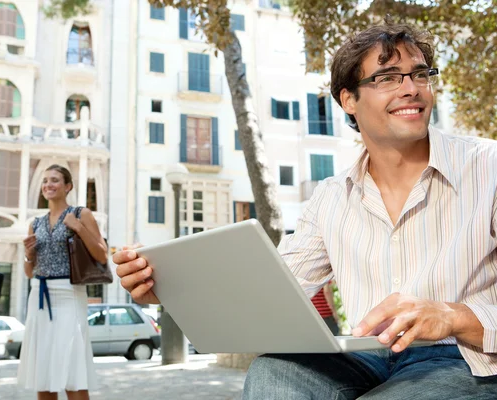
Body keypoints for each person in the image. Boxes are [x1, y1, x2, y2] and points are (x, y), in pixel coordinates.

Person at [113, 22, 497, 399]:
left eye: (419, 74)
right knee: (272, 373)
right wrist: (169, 291)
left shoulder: (488, 167)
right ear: (348, 100)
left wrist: (451, 316)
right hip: (368, 354)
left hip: (463, 356)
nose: (411, 89)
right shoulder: (330, 197)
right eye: (388, 78)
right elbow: (271, 291)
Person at [18, 164, 107, 400]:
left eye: (55, 180)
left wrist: (78, 227)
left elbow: (102, 254)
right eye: (45, 180)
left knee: (72, 369)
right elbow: (29, 272)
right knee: (44, 372)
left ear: (67, 186)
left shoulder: (81, 214)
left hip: (69, 294)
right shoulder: (35, 223)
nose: (48, 184)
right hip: (39, 295)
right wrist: (29, 254)